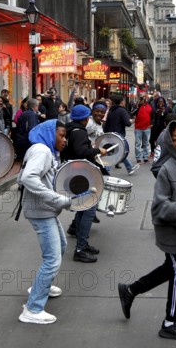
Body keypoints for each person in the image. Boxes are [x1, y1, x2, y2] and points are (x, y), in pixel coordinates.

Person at [117, 121, 176, 342]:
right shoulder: (167, 168)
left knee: (171, 267)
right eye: (174, 138)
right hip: (169, 227)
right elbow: (159, 206)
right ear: (170, 143)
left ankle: (130, 290)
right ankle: (170, 322)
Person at [17, 119, 72, 325]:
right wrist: (57, 199)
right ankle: (33, 308)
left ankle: (42, 287)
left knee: (61, 247)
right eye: (62, 135)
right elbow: (28, 178)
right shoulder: (42, 151)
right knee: (52, 259)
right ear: (51, 134)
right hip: (41, 212)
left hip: (43, 210)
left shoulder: (42, 149)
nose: (64, 140)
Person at [61, 105, 108, 262]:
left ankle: (83, 243)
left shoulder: (70, 130)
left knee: (83, 208)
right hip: (81, 175)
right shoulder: (79, 132)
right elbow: (81, 152)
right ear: (85, 119)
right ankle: (80, 249)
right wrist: (97, 151)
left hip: (75, 174)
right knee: (88, 209)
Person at [103, 94, 139, 174]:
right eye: (123, 100)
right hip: (119, 134)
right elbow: (127, 123)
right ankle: (106, 170)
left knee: (114, 151)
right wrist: (132, 121)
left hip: (110, 134)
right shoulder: (122, 110)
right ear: (120, 102)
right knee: (119, 151)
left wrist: (106, 132)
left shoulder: (110, 110)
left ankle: (129, 167)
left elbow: (106, 123)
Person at [132, 96, 153, 163]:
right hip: (138, 128)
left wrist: (152, 123)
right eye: (142, 100)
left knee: (146, 143)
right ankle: (138, 158)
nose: (143, 101)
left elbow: (152, 116)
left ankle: (145, 157)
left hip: (147, 127)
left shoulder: (149, 106)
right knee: (138, 144)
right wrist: (138, 107)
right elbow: (132, 113)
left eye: (144, 100)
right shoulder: (137, 107)